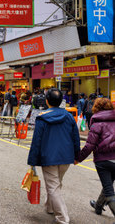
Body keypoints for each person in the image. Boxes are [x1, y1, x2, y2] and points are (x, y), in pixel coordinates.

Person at [27, 88, 80, 224]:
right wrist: (77, 155)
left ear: (47, 101)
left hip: (49, 157)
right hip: (66, 157)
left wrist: (32, 161)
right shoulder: (68, 116)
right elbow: (75, 137)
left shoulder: (42, 117)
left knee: (53, 186)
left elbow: (36, 141)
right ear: (61, 101)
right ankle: (49, 207)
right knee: (56, 184)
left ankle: (62, 218)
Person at [75, 98, 115, 216]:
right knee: (108, 184)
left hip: (103, 160)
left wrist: (78, 158)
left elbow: (89, 146)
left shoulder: (97, 123)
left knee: (108, 189)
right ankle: (98, 205)